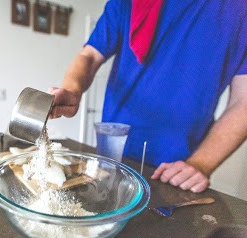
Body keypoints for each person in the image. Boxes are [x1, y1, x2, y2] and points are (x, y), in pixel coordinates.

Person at [48, 0, 247, 193]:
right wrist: (72, 89)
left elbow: (243, 101)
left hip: (177, 168)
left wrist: (201, 163)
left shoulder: (240, 10)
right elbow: (90, 56)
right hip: (113, 153)